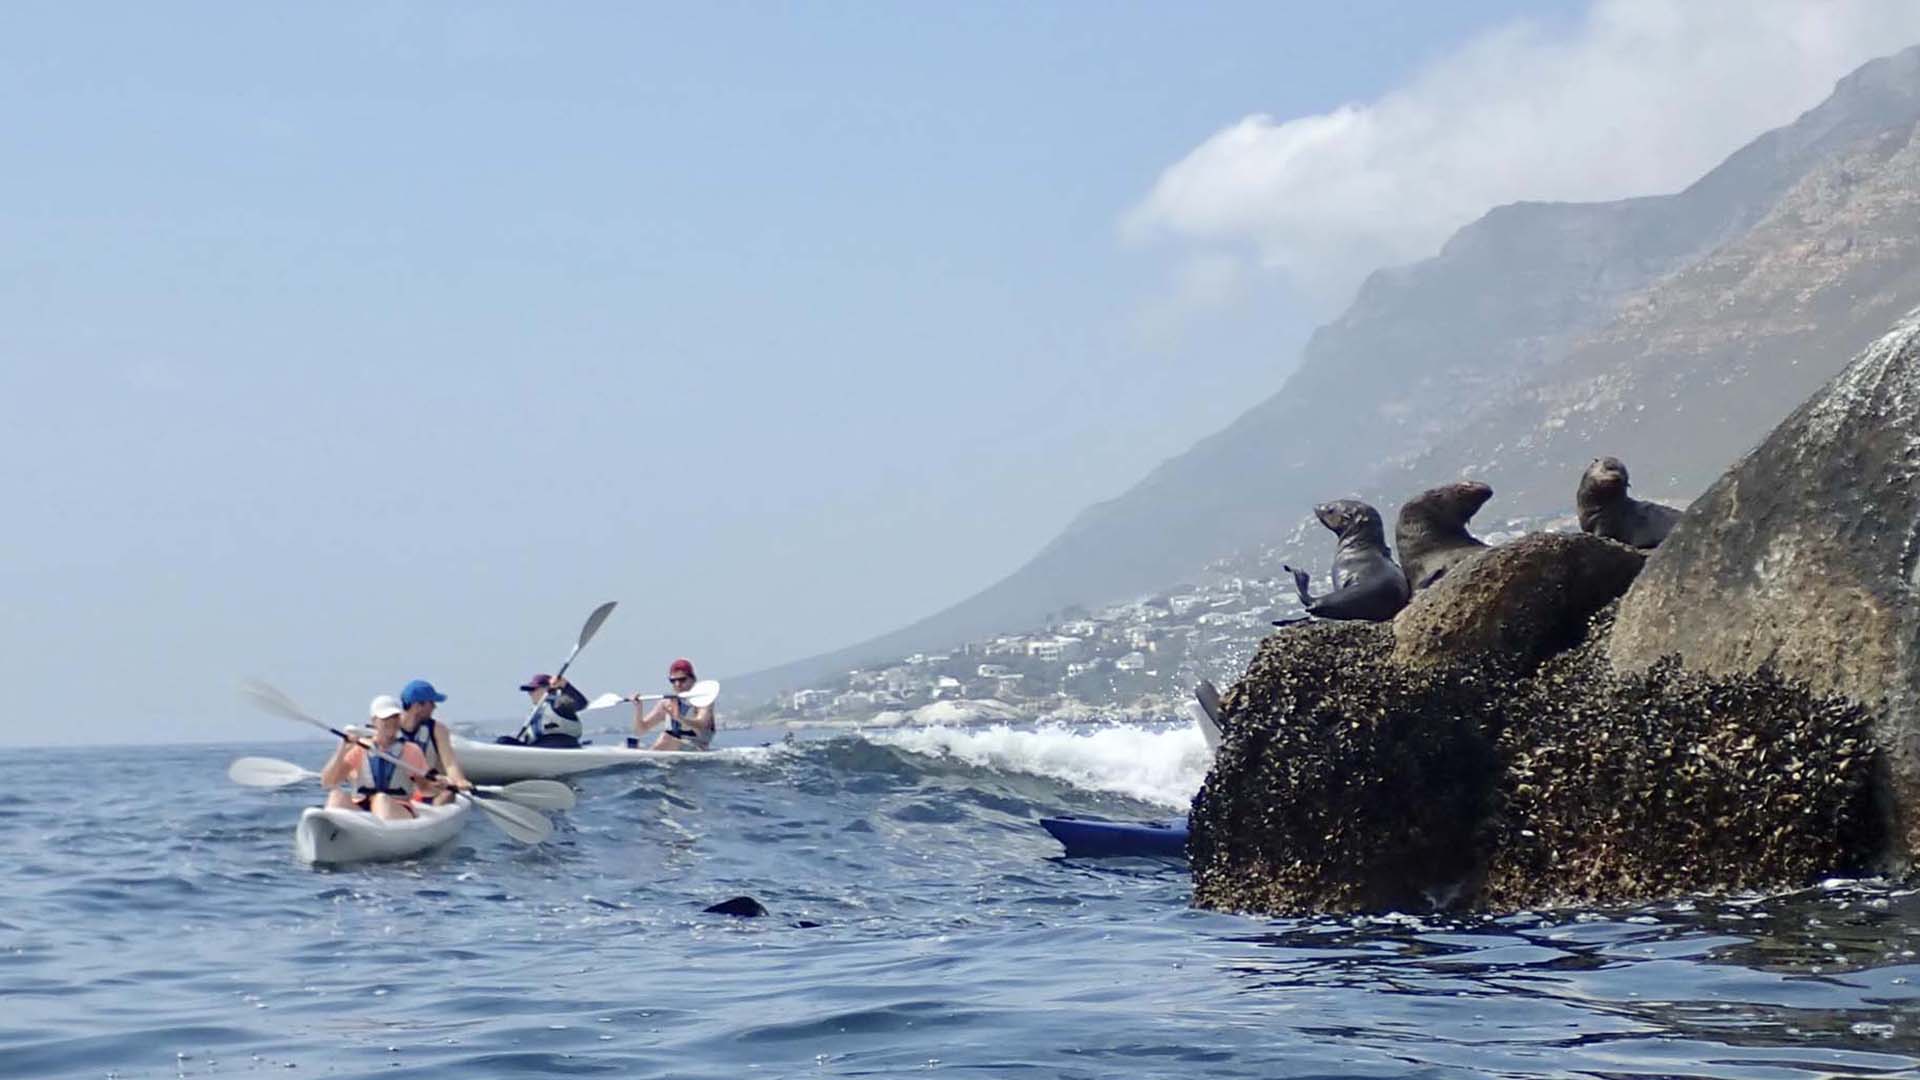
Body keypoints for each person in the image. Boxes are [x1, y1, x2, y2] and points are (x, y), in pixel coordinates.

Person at [319, 695, 429, 820]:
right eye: (385, 718)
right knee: (336, 796)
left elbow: (426, 789)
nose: (391, 722)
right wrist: (342, 749)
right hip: (364, 808)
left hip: (397, 808)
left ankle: (382, 828)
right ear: (374, 721)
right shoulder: (359, 748)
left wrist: (437, 785)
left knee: (381, 799)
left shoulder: (411, 750)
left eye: (395, 717)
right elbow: (327, 783)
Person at [396, 678, 470, 803]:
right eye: (431, 703)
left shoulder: (438, 729)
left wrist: (459, 781)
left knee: (448, 794)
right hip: (400, 791)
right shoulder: (391, 727)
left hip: (429, 791)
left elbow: (450, 763)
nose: (435, 707)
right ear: (417, 706)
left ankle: (434, 808)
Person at [632, 658, 715, 751]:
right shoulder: (667, 703)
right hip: (674, 747)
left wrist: (680, 718)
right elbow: (640, 731)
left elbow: (702, 724)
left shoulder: (703, 700)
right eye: (673, 680)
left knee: (666, 737)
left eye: (682, 680)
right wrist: (638, 708)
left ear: (693, 679)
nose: (677, 684)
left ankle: (652, 753)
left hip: (697, 747)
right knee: (665, 736)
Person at [499, 673, 589, 748]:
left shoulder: (558, 703)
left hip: (561, 744)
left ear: (547, 689)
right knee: (503, 741)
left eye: (533, 689)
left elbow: (581, 704)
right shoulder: (535, 711)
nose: (530, 693)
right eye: (529, 690)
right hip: (539, 746)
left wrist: (565, 685)